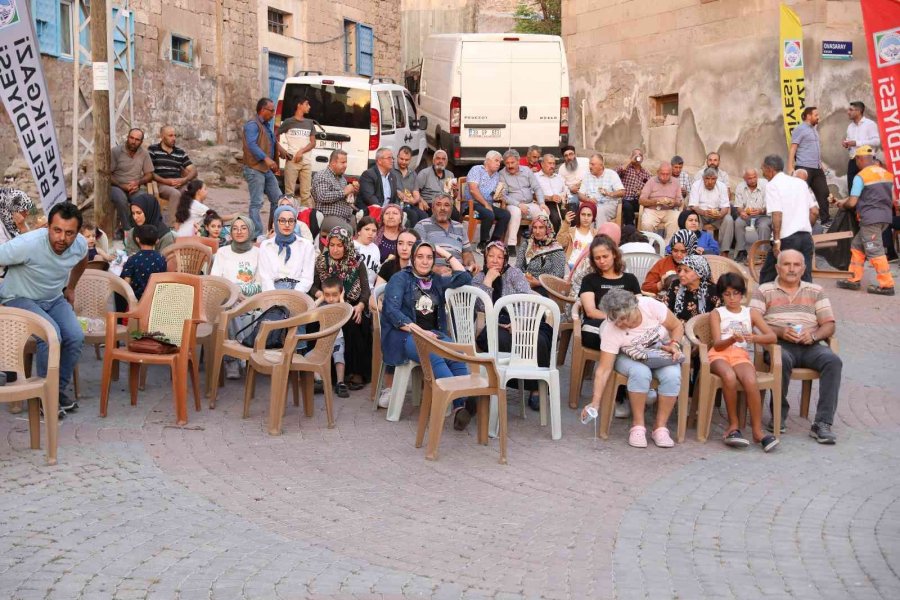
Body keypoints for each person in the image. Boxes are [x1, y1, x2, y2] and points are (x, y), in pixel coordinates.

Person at [0, 202, 88, 416]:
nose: (62, 238)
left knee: (75, 336)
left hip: (53, 298)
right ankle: (43, 397)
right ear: (48, 227)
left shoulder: (79, 244)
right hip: (18, 298)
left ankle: (54, 391)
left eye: (69, 233)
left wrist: (72, 287)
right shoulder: (27, 243)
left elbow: (82, 260)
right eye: (57, 230)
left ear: (76, 233)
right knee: (50, 335)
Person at [751, 250, 842, 443]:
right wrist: (779, 332)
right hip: (778, 344)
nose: (791, 269)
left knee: (833, 361)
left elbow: (829, 324)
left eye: (796, 265)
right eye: (786, 264)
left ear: (803, 268)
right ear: (777, 267)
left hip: (811, 343)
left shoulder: (816, 290)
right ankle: (779, 415)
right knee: (781, 359)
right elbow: (752, 320)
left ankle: (822, 423)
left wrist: (815, 335)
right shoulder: (764, 290)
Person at [380, 240, 474, 429]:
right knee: (435, 355)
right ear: (413, 258)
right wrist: (420, 331)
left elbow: (464, 277)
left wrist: (442, 251)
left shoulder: (436, 280)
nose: (424, 261)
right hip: (405, 335)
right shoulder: (400, 278)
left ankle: (459, 408)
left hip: (433, 333)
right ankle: (461, 399)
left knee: (457, 356)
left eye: (429, 257)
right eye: (420, 257)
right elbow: (391, 311)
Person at [581, 289, 686, 448]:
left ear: (635, 307)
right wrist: (595, 402)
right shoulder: (612, 328)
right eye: (616, 320)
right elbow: (603, 369)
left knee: (673, 375)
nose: (621, 324)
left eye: (624, 318)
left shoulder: (650, 306)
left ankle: (660, 427)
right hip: (627, 356)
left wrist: (674, 345)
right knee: (640, 373)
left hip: (658, 351)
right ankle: (638, 426)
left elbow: (677, 325)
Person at [472, 241, 553, 411]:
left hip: (521, 321)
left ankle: (537, 388)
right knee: (498, 340)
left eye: (499, 257)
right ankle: (509, 378)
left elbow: (527, 298)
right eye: (491, 256)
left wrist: (519, 322)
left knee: (538, 340)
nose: (495, 260)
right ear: (485, 258)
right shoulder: (479, 278)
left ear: (505, 259)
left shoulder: (514, 273)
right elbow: (480, 306)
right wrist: (488, 281)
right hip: (496, 324)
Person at [707, 272, 779, 451]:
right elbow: (717, 343)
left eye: (736, 293)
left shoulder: (750, 313)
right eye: (727, 294)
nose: (732, 298)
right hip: (719, 353)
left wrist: (753, 338)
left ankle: (757, 431)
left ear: (742, 294)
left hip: (740, 354)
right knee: (729, 376)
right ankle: (733, 425)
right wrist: (731, 339)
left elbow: (772, 336)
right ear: (721, 295)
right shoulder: (717, 313)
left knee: (750, 380)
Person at [312, 226, 372, 388]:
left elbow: (365, 290)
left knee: (354, 323)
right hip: (327, 305)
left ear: (346, 245)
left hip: (351, 305)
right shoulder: (321, 261)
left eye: (340, 245)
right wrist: (324, 296)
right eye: (332, 245)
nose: (336, 249)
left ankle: (354, 373)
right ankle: (320, 372)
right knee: (313, 324)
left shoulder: (357, 262)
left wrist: (360, 305)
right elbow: (313, 286)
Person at [834, 145, 895, 295]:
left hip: (870, 219)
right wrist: (844, 201)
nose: (856, 163)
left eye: (856, 160)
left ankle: (887, 285)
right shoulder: (886, 174)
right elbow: (892, 199)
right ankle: (853, 279)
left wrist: (844, 205)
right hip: (885, 218)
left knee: (874, 250)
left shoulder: (861, 177)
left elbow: (853, 202)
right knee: (857, 246)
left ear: (860, 159)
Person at [210, 215, 261, 379]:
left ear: (250, 230)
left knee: (233, 308)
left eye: (243, 228)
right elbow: (215, 280)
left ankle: (237, 356)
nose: (239, 232)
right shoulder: (222, 252)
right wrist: (234, 293)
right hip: (228, 300)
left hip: (250, 301)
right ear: (230, 232)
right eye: (235, 228)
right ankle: (236, 359)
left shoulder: (258, 253)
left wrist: (239, 292)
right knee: (228, 306)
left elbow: (260, 284)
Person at [759, 154, 818, 284]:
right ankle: (807, 304)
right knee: (805, 277)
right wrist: (805, 227)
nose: (762, 171)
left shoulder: (772, 185)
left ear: (770, 169)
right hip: (806, 237)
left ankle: (763, 303)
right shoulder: (800, 183)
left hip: (787, 238)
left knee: (767, 276)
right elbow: (814, 212)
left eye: (762, 168)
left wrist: (777, 241)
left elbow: (777, 215)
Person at [578, 235, 641, 351]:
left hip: (628, 324)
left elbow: (640, 305)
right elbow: (590, 311)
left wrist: (626, 320)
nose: (602, 261)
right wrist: (617, 320)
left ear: (614, 254)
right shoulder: (589, 280)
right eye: (597, 258)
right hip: (599, 325)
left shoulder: (630, 279)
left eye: (605, 256)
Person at [242, 97, 283, 236]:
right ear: (263, 110)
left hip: (265, 170)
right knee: (257, 203)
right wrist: (266, 158)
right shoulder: (252, 125)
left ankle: (273, 230)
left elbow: (271, 140)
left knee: (278, 199)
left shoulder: (265, 125)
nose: (273, 114)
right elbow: (251, 144)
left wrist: (280, 150)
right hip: (255, 169)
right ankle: (256, 235)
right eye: (271, 111)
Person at [415, 194, 479, 275]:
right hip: (432, 274)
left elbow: (467, 253)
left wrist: (471, 263)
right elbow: (417, 255)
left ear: (451, 209)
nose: (442, 208)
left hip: (458, 272)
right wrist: (436, 269)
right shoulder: (422, 225)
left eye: (446, 205)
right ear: (433, 208)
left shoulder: (460, 227)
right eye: (438, 204)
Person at [257, 205, 316, 292]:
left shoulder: (306, 246)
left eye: (291, 221)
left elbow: (307, 278)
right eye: (282, 221)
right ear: (275, 222)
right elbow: (265, 278)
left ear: (295, 223)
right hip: (272, 291)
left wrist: (293, 296)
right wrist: (274, 296)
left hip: (298, 291)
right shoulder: (266, 246)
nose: (287, 225)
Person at [788, 106, 830, 225]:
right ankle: (798, 222)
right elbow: (793, 148)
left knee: (824, 193)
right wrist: (790, 167)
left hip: (816, 168)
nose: (818, 117)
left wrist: (820, 164)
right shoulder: (800, 129)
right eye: (816, 115)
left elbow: (813, 149)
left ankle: (825, 221)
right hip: (803, 167)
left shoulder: (814, 129)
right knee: (800, 196)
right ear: (808, 116)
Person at [498, 149, 546, 251]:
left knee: (543, 213)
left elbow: (537, 187)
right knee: (515, 212)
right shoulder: (502, 174)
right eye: (507, 163)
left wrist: (541, 203)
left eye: (512, 162)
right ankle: (511, 245)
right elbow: (503, 195)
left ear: (518, 161)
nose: (510, 166)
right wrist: (518, 204)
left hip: (529, 203)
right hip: (513, 204)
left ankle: (540, 241)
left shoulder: (527, 171)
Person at [110, 128, 155, 235]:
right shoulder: (116, 151)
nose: (133, 141)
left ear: (141, 142)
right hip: (116, 186)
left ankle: (143, 230)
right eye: (131, 138)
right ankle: (128, 231)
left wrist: (137, 183)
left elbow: (150, 174)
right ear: (127, 137)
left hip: (135, 188)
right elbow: (108, 175)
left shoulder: (144, 153)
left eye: (137, 139)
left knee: (144, 200)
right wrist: (122, 186)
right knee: (121, 199)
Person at [463, 151, 511, 253]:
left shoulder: (496, 175)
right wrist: (485, 204)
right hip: (471, 207)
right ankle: (482, 244)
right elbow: (473, 190)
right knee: (489, 214)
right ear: (488, 161)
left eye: (499, 161)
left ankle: (494, 242)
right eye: (496, 160)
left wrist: (500, 195)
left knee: (505, 214)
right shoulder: (476, 170)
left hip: (487, 205)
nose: (499, 164)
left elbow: (495, 194)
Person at [148, 125, 197, 224]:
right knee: (175, 194)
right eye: (170, 135)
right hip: (161, 184)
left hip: (179, 183)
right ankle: (173, 226)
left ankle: (192, 224)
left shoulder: (180, 152)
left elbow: (194, 170)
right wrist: (165, 181)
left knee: (194, 190)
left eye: (175, 135)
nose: (174, 138)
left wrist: (184, 180)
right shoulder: (153, 150)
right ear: (162, 136)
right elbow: (149, 172)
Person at [277, 97, 316, 207]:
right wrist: (282, 150)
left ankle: (306, 218)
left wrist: (301, 151)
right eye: (307, 104)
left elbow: (313, 143)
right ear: (299, 105)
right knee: (289, 193)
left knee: (306, 194)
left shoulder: (309, 123)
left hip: (306, 162)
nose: (309, 107)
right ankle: (287, 216)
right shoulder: (289, 122)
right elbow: (272, 136)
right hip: (292, 161)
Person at [316, 277, 351, 398]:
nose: (331, 299)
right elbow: (309, 312)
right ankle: (320, 381)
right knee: (310, 357)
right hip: (322, 341)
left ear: (340, 293)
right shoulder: (322, 306)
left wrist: (341, 299)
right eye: (327, 295)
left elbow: (346, 313)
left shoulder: (341, 306)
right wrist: (321, 298)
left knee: (339, 357)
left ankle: (340, 382)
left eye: (334, 295)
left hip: (337, 339)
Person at [515, 214, 566, 295]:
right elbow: (518, 267)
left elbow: (558, 274)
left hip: (546, 287)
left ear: (547, 229)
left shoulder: (556, 248)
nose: (537, 231)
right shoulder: (526, 244)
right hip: (525, 283)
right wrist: (523, 279)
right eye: (535, 227)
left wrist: (539, 282)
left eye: (541, 227)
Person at [689, 167, 734, 256]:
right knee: (693, 217)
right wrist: (704, 212)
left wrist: (720, 214)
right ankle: (695, 248)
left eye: (713, 179)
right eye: (707, 178)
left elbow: (725, 206)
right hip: (701, 214)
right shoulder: (696, 185)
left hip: (717, 216)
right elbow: (693, 206)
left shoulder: (722, 186)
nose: (710, 181)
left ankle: (724, 251)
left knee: (728, 219)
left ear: (716, 179)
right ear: (703, 178)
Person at [312, 149, 358, 234]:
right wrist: (344, 192)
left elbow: (346, 200)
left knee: (360, 229)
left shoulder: (342, 179)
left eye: (346, 162)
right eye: (342, 162)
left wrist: (352, 194)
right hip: (327, 216)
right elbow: (322, 196)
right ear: (333, 163)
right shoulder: (322, 175)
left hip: (345, 216)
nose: (345, 165)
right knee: (347, 231)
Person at [666, 254, 720, 323]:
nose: (680, 274)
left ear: (699, 274)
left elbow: (717, 318)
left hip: (700, 331)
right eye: (680, 270)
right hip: (675, 327)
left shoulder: (713, 291)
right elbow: (665, 310)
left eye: (686, 271)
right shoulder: (675, 285)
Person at [120, 224, 168, 300]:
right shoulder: (162, 258)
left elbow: (126, 284)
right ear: (157, 241)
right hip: (157, 301)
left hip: (137, 302)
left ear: (137, 239)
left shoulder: (132, 259)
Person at [733, 168, 770, 262]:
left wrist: (761, 210)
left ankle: (763, 254)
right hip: (747, 215)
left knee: (763, 226)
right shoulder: (740, 187)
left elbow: (769, 204)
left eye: (754, 177)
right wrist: (741, 212)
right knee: (738, 222)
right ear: (744, 178)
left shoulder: (765, 184)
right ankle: (742, 251)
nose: (753, 180)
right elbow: (738, 206)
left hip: (763, 215)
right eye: (749, 178)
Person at [638, 161, 683, 239]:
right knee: (647, 224)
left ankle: (668, 246)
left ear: (671, 173)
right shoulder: (651, 181)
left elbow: (679, 201)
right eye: (662, 174)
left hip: (669, 210)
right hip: (652, 210)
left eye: (667, 174)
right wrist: (656, 201)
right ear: (658, 172)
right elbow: (641, 200)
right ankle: (650, 246)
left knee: (677, 219)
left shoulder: (676, 182)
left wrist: (674, 203)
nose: (665, 176)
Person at [644, 229, 697, 294]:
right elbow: (645, 287)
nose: (678, 255)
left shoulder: (698, 265)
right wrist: (661, 283)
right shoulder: (663, 263)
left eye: (683, 252)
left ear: (691, 251)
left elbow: (708, 287)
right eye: (675, 250)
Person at [843, 101, 881, 190]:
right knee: (852, 189)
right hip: (853, 161)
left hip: (867, 161)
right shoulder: (850, 127)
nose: (848, 112)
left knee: (868, 189)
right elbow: (850, 142)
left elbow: (876, 141)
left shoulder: (870, 124)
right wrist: (847, 144)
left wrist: (856, 143)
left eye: (851, 110)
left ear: (859, 111)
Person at [578, 153, 625, 226]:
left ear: (601, 165)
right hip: (591, 204)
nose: (590, 166)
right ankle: (588, 235)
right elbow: (580, 195)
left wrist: (610, 193)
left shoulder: (611, 174)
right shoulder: (587, 175)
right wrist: (588, 200)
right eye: (590, 164)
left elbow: (622, 192)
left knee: (598, 211)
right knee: (588, 210)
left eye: (592, 164)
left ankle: (599, 236)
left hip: (608, 205)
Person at [392, 146, 428, 227]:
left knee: (424, 216)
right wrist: (397, 192)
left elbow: (416, 194)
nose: (404, 162)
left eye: (407, 160)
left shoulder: (413, 174)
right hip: (396, 205)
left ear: (410, 159)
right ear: (397, 157)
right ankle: (410, 237)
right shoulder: (391, 170)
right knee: (413, 215)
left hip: (409, 204)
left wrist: (413, 200)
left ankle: (421, 238)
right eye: (401, 159)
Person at [415, 149, 458, 214]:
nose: (440, 161)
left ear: (446, 162)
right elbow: (415, 192)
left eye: (443, 159)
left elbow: (453, 197)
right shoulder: (424, 173)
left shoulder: (450, 174)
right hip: (430, 204)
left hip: (445, 204)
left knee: (455, 214)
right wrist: (422, 201)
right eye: (438, 158)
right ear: (433, 160)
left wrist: (455, 191)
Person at [616, 149, 651, 227]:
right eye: (636, 155)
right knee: (627, 207)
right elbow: (616, 173)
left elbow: (650, 189)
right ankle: (630, 228)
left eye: (640, 155)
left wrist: (641, 192)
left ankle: (640, 229)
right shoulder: (626, 168)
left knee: (647, 208)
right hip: (625, 199)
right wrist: (630, 161)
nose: (638, 157)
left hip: (637, 200)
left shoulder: (645, 173)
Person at [359, 147, 399, 215]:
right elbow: (370, 198)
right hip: (371, 211)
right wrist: (385, 211)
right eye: (389, 158)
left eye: (392, 158)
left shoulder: (392, 177)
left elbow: (394, 199)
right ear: (379, 161)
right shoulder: (368, 175)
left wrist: (396, 210)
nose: (392, 160)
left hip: (387, 213)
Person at [535, 154, 569, 233]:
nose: (552, 166)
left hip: (560, 203)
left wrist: (563, 196)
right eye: (549, 163)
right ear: (542, 164)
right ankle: (554, 241)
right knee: (555, 219)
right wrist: (550, 198)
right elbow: (533, 195)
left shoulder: (558, 177)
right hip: (546, 203)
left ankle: (567, 241)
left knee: (572, 217)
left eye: (553, 163)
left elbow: (565, 191)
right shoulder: (535, 177)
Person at [562, 203, 596, 269]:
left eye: (589, 215)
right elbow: (561, 243)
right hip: (570, 266)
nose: (586, 218)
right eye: (583, 214)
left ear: (593, 217)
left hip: (587, 269)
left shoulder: (596, 234)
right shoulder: (571, 231)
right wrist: (566, 223)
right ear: (579, 215)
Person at [354, 215, 381, 289]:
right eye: (367, 229)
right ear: (359, 231)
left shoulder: (375, 248)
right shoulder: (351, 245)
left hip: (370, 289)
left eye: (374, 231)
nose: (370, 233)